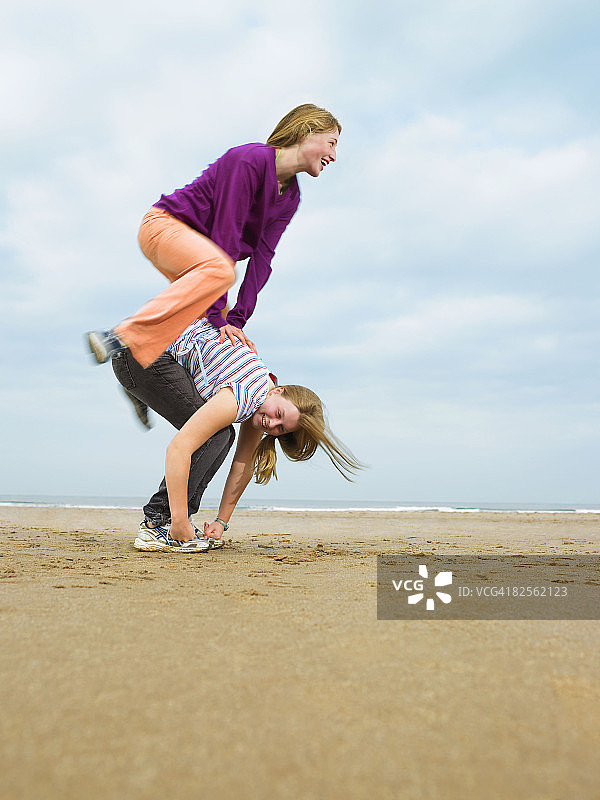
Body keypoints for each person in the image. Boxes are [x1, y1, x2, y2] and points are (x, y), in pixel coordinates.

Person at [88, 103, 341, 382]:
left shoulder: (290, 197)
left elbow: (262, 259)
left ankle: (134, 371)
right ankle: (119, 337)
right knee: (221, 276)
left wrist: (235, 320)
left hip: (207, 258)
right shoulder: (251, 159)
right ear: (306, 132)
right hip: (165, 227)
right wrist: (219, 312)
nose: (334, 155)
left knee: (217, 336)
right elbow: (226, 232)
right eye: (331, 143)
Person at [112, 318, 361, 552]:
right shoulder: (244, 396)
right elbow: (178, 449)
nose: (271, 423)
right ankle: (157, 524)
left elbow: (243, 464)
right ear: (279, 391)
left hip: (150, 356)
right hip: (141, 356)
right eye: (278, 414)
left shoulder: (263, 400)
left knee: (223, 434)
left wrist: (221, 522)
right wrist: (177, 521)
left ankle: (176, 519)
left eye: (281, 428)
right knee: (217, 436)